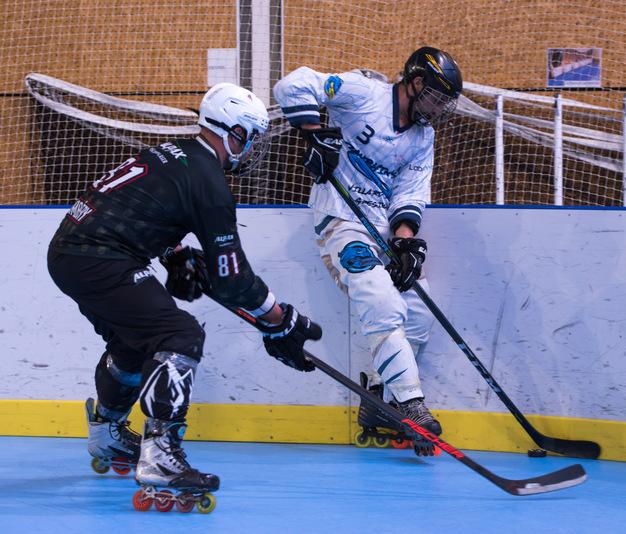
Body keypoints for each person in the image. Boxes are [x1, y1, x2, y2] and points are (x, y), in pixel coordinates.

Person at [47, 82, 322, 506]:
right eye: (253, 138)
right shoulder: (209, 182)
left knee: (135, 342)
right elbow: (233, 280)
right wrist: (280, 320)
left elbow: (137, 206)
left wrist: (175, 254)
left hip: (72, 251)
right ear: (235, 133)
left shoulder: (174, 152)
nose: (255, 149)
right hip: (101, 258)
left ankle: (106, 433)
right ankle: (160, 456)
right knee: (180, 335)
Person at [273, 47, 462, 455]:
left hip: (381, 232)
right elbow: (293, 84)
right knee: (381, 302)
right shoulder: (363, 92)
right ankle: (412, 404)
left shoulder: (424, 137)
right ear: (415, 82)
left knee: (419, 310)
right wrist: (314, 135)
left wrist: (405, 243)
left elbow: (410, 192)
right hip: (341, 222)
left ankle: (379, 398)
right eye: (435, 98)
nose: (438, 109)